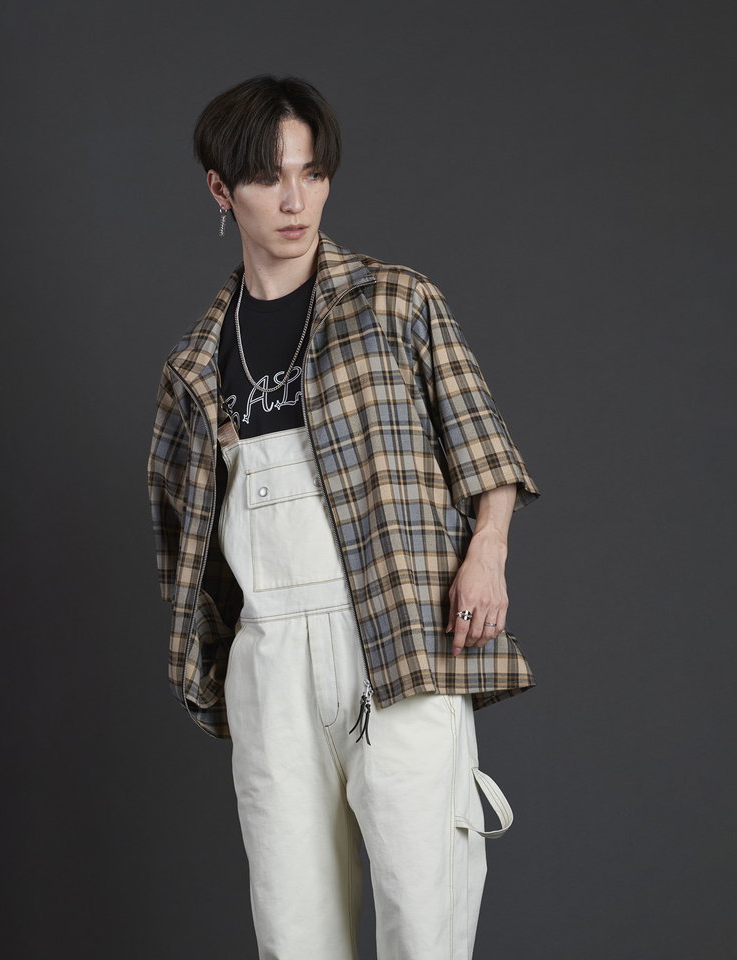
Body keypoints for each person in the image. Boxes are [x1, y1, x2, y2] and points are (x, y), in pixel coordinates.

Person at [147, 74, 540, 960]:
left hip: (398, 638)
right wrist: (211, 669)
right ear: (221, 189)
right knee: (294, 933)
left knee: (424, 919)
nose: (296, 201)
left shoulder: (397, 301)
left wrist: (487, 553)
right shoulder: (196, 366)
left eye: (313, 173)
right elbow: (184, 542)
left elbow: (485, 447)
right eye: (269, 178)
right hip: (271, 664)